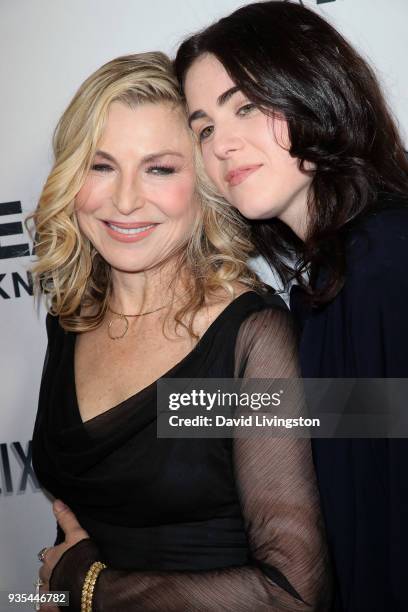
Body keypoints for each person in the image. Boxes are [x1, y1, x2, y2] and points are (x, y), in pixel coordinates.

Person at [30, 52, 331, 611]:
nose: (124, 201)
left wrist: (88, 587)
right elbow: (75, 536)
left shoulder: (250, 338)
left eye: (159, 169)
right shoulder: (71, 318)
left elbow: (292, 595)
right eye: (100, 166)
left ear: (205, 187)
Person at [175, 2, 408, 611]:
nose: (222, 145)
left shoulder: (387, 262)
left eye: (245, 106)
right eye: (203, 128)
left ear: (313, 87)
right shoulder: (328, 285)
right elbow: (367, 422)